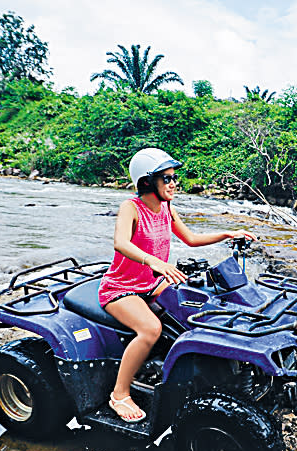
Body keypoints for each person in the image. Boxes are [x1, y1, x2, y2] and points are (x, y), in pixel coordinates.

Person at [98, 147, 255, 422]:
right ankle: (119, 393)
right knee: (150, 329)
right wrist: (153, 262)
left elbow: (191, 239)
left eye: (174, 178)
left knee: (197, 307)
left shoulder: (167, 208)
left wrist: (227, 233)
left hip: (151, 282)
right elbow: (120, 243)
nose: (174, 183)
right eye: (167, 178)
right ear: (147, 182)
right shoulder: (130, 208)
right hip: (122, 287)